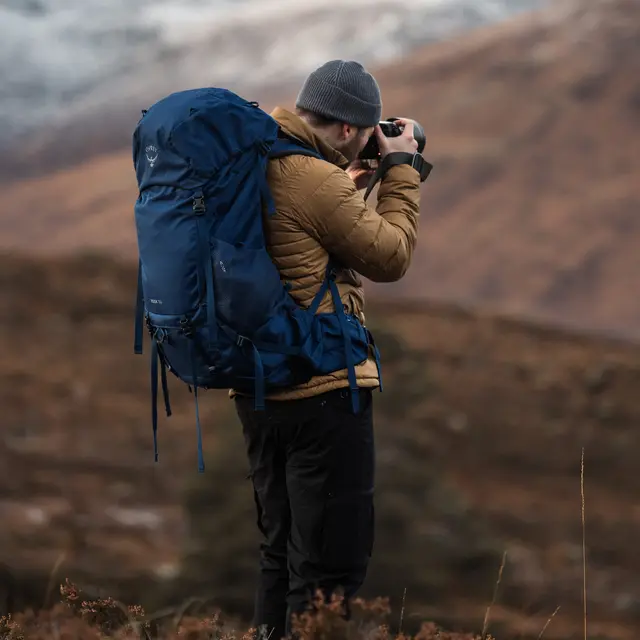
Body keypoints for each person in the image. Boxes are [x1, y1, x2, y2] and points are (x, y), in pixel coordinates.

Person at [232, 59, 423, 639]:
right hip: (323, 389)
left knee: (280, 554)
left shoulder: (260, 160)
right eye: (366, 131)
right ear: (346, 129)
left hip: (261, 388)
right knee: (329, 569)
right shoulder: (312, 179)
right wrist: (404, 170)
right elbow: (389, 257)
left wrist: (354, 180)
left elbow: (309, 244)